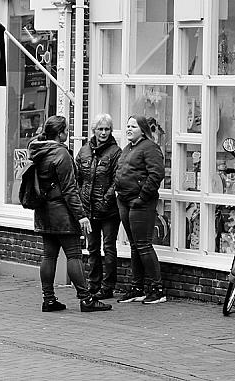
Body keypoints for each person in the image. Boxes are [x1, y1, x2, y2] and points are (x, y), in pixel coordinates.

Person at [28, 115, 112, 313]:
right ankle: (86, 299)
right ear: (60, 133)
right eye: (66, 130)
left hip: (44, 211)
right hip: (62, 213)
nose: (68, 132)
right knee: (74, 255)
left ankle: (49, 299)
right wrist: (81, 215)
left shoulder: (38, 150)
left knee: (49, 256)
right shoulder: (61, 154)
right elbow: (69, 189)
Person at [114, 115, 167, 304]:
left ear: (143, 130)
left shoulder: (150, 148)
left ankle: (157, 289)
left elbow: (156, 174)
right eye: (127, 126)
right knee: (134, 245)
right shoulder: (128, 148)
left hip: (141, 203)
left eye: (133, 126)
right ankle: (137, 288)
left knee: (143, 245)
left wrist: (142, 197)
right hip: (124, 200)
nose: (129, 129)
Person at [75, 113, 121, 300]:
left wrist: (105, 200)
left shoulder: (116, 152)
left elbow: (117, 180)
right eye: (100, 129)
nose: (103, 133)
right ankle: (93, 285)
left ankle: (107, 287)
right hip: (88, 209)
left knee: (108, 247)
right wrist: (81, 198)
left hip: (109, 211)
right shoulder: (84, 151)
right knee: (92, 247)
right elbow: (77, 178)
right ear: (93, 130)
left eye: (107, 129)